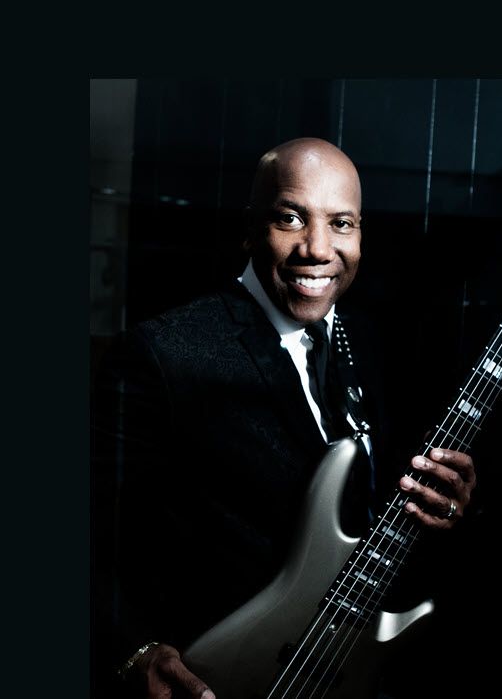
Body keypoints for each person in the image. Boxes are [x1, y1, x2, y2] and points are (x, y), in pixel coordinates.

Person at [92, 137, 477, 699]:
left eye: (341, 223)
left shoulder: (373, 345)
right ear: (251, 229)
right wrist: (134, 650)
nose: (317, 248)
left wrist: (446, 502)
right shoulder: (163, 354)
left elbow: (379, 510)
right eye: (291, 218)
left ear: (361, 236)